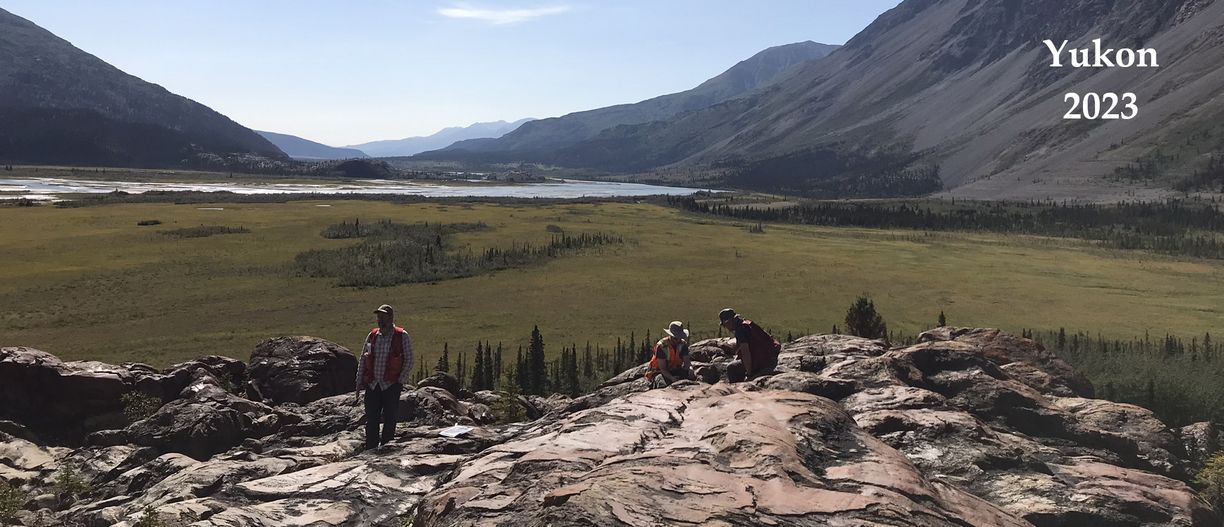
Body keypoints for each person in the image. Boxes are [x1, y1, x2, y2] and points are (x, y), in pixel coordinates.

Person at [355, 304, 414, 449]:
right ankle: (371, 449)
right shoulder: (373, 335)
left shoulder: (401, 336)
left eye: (384, 317)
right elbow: (363, 358)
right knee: (372, 420)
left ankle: (386, 449)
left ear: (391, 317)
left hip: (391, 385)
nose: (380, 320)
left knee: (390, 419)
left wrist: (401, 378)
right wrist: (359, 380)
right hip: (373, 385)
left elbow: (409, 359)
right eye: (378, 317)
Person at [719, 308, 780, 382]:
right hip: (770, 356)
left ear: (730, 322)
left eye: (725, 325)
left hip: (762, 361)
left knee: (731, 368)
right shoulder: (747, 323)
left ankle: (737, 388)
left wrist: (749, 373)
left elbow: (745, 351)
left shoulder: (740, 331)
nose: (726, 327)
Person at [647, 321, 694, 388]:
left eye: (680, 337)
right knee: (662, 384)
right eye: (675, 338)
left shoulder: (683, 345)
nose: (678, 340)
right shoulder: (661, 346)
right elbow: (663, 369)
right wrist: (672, 378)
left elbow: (687, 361)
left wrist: (690, 368)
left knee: (691, 378)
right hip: (659, 371)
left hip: (674, 369)